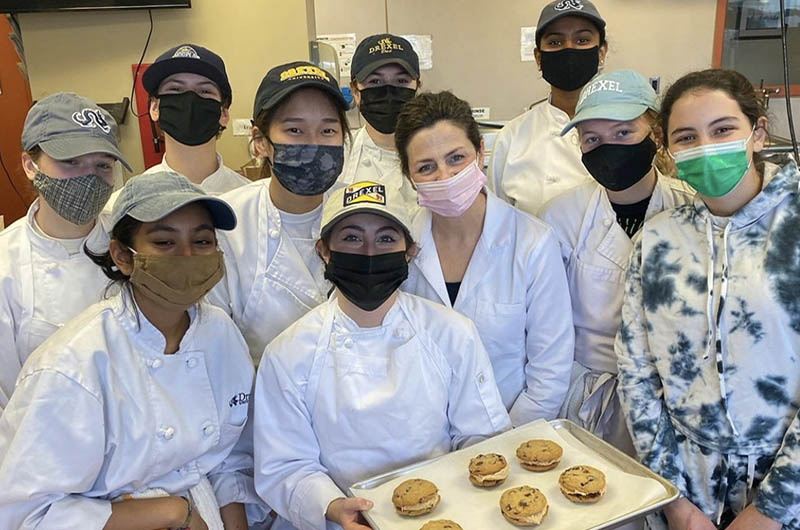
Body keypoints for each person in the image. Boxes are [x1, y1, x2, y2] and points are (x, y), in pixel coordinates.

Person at [0, 171, 263, 529]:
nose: (186, 257)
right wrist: (171, 511)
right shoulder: (74, 363)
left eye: (202, 242)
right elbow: (25, 515)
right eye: (165, 243)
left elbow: (229, 457)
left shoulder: (221, 335)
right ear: (123, 256)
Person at [253, 181, 511, 530]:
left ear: (411, 252)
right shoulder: (288, 354)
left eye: (386, 239)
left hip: (447, 514)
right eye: (352, 238)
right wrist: (331, 505)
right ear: (323, 251)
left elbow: (483, 437)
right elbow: (286, 465)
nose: (369, 252)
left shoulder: (452, 333)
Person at [616, 69, 800, 530]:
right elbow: (636, 372)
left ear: (757, 132)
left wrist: (772, 509)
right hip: (685, 487)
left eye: (722, 130)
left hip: (787, 486)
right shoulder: (659, 240)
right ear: (669, 150)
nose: (706, 147)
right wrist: (672, 497)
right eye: (687, 137)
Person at [396, 91, 574, 426]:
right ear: (409, 175)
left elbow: (550, 371)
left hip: (509, 433)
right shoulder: (399, 244)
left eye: (456, 158)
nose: (444, 176)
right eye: (426, 167)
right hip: (419, 434)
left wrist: (505, 444)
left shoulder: (532, 242)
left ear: (480, 153)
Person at [538, 70, 693, 455]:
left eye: (623, 133)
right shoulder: (559, 217)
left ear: (656, 134)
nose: (609, 148)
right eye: (593, 139)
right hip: (587, 396)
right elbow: (544, 325)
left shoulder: (691, 207)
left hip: (674, 395)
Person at [209, 61, 349, 363]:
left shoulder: (360, 209)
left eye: (327, 130)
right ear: (260, 142)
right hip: (261, 399)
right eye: (295, 130)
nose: (313, 143)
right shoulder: (228, 223)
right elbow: (214, 340)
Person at [0, 92, 131, 410]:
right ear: (30, 165)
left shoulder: (133, 241)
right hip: (45, 440)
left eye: (102, 165)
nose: (89, 177)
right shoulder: (6, 263)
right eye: (71, 161)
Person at [489, 0, 608, 215]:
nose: (569, 49)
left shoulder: (628, 128)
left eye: (582, 40)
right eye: (555, 42)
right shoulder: (512, 138)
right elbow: (498, 225)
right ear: (538, 57)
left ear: (601, 52)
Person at [105, 43, 249, 212]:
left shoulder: (252, 202)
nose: (189, 100)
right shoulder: (123, 206)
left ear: (223, 114)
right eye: (175, 89)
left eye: (204, 91)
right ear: (154, 108)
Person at [338, 33, 421, 209]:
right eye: (375, 81)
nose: (389, 93)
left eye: (401, 81)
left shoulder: (437, 153)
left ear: (417, 87)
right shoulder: (339, 154)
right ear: (355, 91)